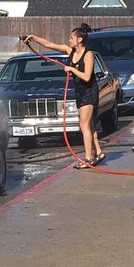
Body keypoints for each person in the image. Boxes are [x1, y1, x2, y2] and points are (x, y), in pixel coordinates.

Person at [22, 25, 105, 168]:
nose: (69, 40)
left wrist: (71, 68)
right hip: (79, 92)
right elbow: (50, 45)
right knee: (89, 125)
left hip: (89, 92)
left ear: (80, 39)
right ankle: (98, 152)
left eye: (71, 38)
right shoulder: (70, 51)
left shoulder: (88, 55)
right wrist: (33, 38)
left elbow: (86, 77)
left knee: (84, 125)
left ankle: (88, 158)